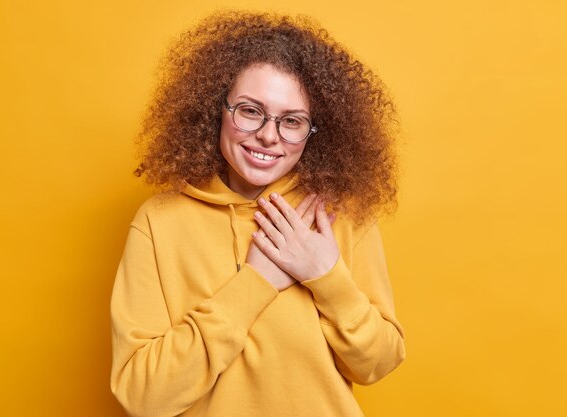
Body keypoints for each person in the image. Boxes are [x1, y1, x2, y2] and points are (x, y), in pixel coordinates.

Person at [111, 11, 405, 417]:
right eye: (250, 111)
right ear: (217, 108)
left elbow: (378, 363)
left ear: (315, 130)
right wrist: (256, 283)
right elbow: (143, 398)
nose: (269, 135)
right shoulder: (159, 223)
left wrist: (326, 276)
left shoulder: (339, 213)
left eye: (292, 121)